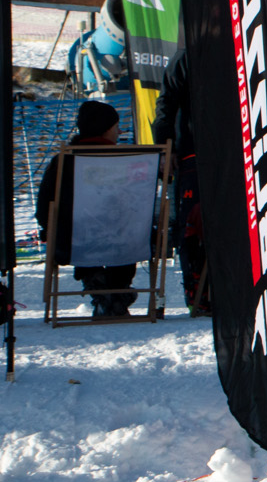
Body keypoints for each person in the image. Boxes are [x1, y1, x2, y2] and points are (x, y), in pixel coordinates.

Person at [35, 100, 136, 319]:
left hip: (72, 243)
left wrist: (49, 229)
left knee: (82, 231)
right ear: (105, 128)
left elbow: (44, 208)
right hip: (123, 242)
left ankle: (98, 286)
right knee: (129, 229)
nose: (119, 131)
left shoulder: (63, 162)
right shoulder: (126, 161)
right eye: (115, 126)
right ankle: (118, 292)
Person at [149, 50, 207, 315]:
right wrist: (165, 147)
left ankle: (227, 289)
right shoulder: (187, 56)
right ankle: (197, 294)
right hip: (192, 155)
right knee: (192, 227)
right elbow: (166, 103)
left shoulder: (242, 45)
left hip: (235, 156)